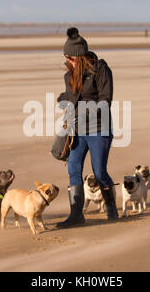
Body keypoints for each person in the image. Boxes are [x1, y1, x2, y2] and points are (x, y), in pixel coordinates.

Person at [56, 27, 118, 228]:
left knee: (99, 172)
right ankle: (76, 215)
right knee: (73, 169)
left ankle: (111, 209)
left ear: (81, 56)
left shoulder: (100, 69)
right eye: (66, 58)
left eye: (71, 58)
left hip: (100, 128)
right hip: (78, 130)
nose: (68, 61)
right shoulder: (69, 76)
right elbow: (73, 98)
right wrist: (63, 99)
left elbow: (105, 100)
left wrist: (83, 113)